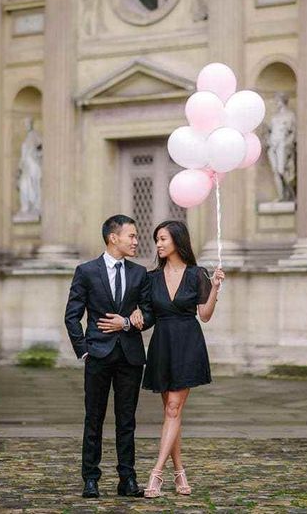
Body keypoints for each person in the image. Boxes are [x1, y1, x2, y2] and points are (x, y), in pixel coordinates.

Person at [131, 220, 224, 498]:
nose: (158, 244)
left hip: (188, 343)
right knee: (172, 413)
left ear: (177, 240)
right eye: (156, 239)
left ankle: (156, 474)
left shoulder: (198, 274)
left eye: (162, 239)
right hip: (162, 345)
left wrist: (216, 288)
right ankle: (180, 472)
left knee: (173, 408)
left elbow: (205, 315)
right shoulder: (151, 278)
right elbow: (148, 316)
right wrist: (137, 315)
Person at [64, 214, 154, 499]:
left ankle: (127, 480)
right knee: (94, 418)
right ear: (113, 237)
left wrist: (127, 322)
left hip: (130, 356)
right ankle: (90, 479)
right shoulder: (86, 271)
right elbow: (72, 316)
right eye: (131, 236)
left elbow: (149, 312)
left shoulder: (140, 273)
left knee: (127, 420)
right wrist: (84, 349)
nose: (136, 241)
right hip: (98, 355)